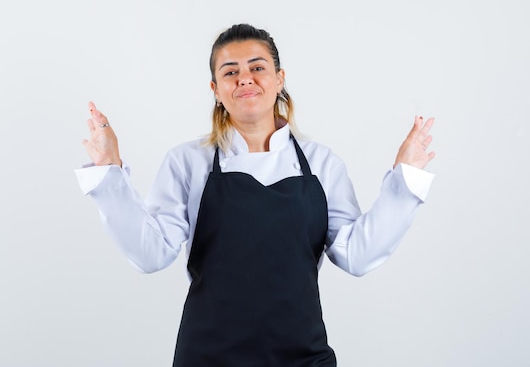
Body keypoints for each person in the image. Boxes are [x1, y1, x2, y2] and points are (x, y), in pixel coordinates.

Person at [75, 24, 436, 366]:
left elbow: (357, 255)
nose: (244, 77)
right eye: (230, 71)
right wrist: (109, 172)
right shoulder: (188, 161)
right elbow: (149, 254)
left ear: (279, 79)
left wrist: (405, 181)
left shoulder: (321, 163)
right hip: (208, 356)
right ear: (215, 89)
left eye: (257, 67)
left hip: (303, 356)